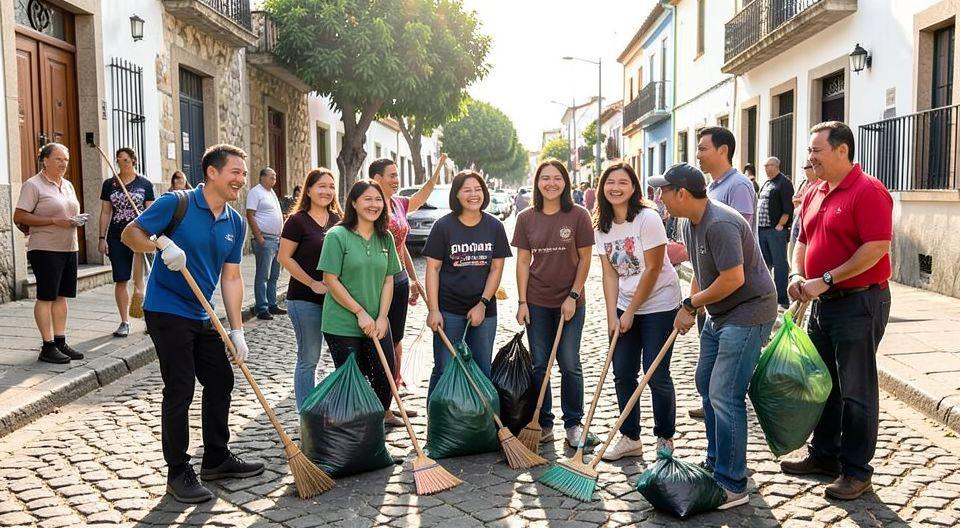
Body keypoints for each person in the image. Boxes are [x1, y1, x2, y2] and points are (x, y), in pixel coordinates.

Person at [121, 144, 263, 504]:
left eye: (243, 174)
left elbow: (231, 278)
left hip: (203, 312)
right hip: (166, 309)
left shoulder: (234, 222)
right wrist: (161, 245)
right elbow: (130, 235)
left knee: (221, 379)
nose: (241, 180)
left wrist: (237, 330)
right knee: (181, 387)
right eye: (235, 172)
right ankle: (178, 470)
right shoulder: (177, 203)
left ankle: (216, 457)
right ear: (212, 172)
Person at [650, 162, 777, 510]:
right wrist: (693, 305)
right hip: (720, 312)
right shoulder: (688, 222)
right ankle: (717, 462)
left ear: (682, 194)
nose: (659, 197)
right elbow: (703, 274)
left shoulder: (719, 222)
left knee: (724, 392)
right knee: (705, 382)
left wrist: (692, 304)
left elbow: (733, 279)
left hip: (749, 311)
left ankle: (733, 482)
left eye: (664, 190)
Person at [781, 121, 893, 501]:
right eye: (810, 151)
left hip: (860, 302)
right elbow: (802, 238)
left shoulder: (868, 191)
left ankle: (857, 471)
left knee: (856, 391)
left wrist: (825, 279)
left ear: (842, 151)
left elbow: (876, 247)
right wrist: (798, 273)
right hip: (822, 304)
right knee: (822, 384)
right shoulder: (815, 191)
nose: (810, 158)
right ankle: (825, 455)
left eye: (817, 151)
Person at [592, 162, 681, 461]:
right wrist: (611, 317)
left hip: (660, 304)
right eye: (610, 182)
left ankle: (664, 437)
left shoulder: (647, 218)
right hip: (625, 304)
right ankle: (631, 437)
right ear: (602, 187)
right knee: (623, 373)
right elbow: (610, 275)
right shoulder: (601, 226)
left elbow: (653, 268)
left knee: (656, 374)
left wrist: (630, 310)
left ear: (633, 187)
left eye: (623, 182)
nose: (615, 187)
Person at [513, 159, 597, 448]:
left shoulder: (578, 215)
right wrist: (522, 301)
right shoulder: (526, 218)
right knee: (540, 365)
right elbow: (523, 261)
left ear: (565, 182)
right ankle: (543, 422)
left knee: (570, 363)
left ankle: (574, 424)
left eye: (557, 178)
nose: (551, 183)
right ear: (537, 182)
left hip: (571, 301)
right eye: (545, 178)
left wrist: (573, 295)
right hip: (537, 301)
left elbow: (585, 258)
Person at [318, 179, 402, 426]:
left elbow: (389, 280)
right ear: (354, 203)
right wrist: (359, 312)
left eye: (378, 200)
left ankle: (376, 431)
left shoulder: (385, 237)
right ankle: (353, 436)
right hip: (342, 323)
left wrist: (382, 316)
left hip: (377, 322)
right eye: (367, 199)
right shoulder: (337, 236)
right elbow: (330, 280)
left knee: (384, 378)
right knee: (353, 381)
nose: (374, 205)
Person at [689, 126, 757, 420]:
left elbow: (737, 240)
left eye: (703, 148)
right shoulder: (712, 187)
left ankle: (719, 405)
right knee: (707, 371)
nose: (698, 154)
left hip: (735, 292)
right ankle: (711, 405)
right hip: (713, 290)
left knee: (724, 382)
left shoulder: (738, 185)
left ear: (722, 150)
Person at [424, 170, 511, 394]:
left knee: (481, 370)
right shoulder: (443, 227)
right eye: (467, 190)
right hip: (448, 310)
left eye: (478, 189)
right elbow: (433, 269)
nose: (474, 194)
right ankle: (439, 426)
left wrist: (482, 304)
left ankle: (478, 425)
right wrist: (434, 310)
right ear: (457, 195)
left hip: (484, 310)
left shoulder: (495, 226)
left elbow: (496, 268)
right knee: (445, 368)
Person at [369, 156, 442, 415]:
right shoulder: (371, 206)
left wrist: (413, 278)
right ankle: (381, 405)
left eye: (397, 174)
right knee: (382, 342)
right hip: (376, 283)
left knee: (396, 340)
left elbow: (400, 248)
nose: (396, 180)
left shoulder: (399, 203)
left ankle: (392, 398)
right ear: (376, 179)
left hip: (398, 280)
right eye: (392, 175)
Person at [13, 143, 85, 364]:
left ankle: (60, 341)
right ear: (45, 160)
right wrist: (54, 221)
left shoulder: (68, 185)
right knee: (46, 296)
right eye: (58, 159)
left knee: (61, 296)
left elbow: (70, 211)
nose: (63, 163)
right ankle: (47, 346)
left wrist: (76, 220)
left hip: (68, 247)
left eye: (66, 160)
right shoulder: (32, 185)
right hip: (45, 248)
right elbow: (20, 216)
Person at [277, 168, 342, 410]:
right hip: (304, 300)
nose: (327, 191)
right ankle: (306, 413)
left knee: (341, 358)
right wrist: (312, 283)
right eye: (321, 186)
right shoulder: (297, 221)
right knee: (309, 358)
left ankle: (338, 409)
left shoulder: (339, 220)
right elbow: (284, 258)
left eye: (331, 186)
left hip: (336, 301)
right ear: (309, 189)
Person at [98, 147, 155, 338]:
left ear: (133, 161)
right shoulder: (110, 184)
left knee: (142, 280)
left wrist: (152, 235)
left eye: (126, 160)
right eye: (119, 160)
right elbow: (106, 212)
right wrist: (101, 238)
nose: (122, 164)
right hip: (117, 236)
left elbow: (151, 212)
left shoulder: (144, 184)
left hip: (139, 235)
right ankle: (124, 321)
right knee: (120, 279)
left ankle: (149, 320)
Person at [246, 167, 286, 320]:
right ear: (262, 177)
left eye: (275, 176)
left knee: (275, 275)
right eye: (271, 176)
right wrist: (259, 237)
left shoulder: (271, 192)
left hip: (276, 239)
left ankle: (272, 304)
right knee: (263, 275)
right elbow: (250, 215)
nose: (274, 179)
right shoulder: (256, 192)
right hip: (265, 239)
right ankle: (262, 307)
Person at [757, 157, 795, 309]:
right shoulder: (767, 183)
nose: (766, 168)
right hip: (762, 230)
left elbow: (788, 207)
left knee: (779, 265)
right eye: (765, 166)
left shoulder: (784, 183)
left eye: (768, 166)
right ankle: (766, 297)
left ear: (776, 166)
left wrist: (780, 225)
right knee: (765, 266)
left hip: (775, 231)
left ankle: (782, 300)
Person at [790, 162, 819, 247]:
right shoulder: (803, 183)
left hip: (809, 225)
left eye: (805, 168)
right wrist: (800, 202)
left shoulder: (820, 184)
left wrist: (801, 202)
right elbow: (795, 199)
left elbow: (810, 204)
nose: (804, 171)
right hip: (798, 221)